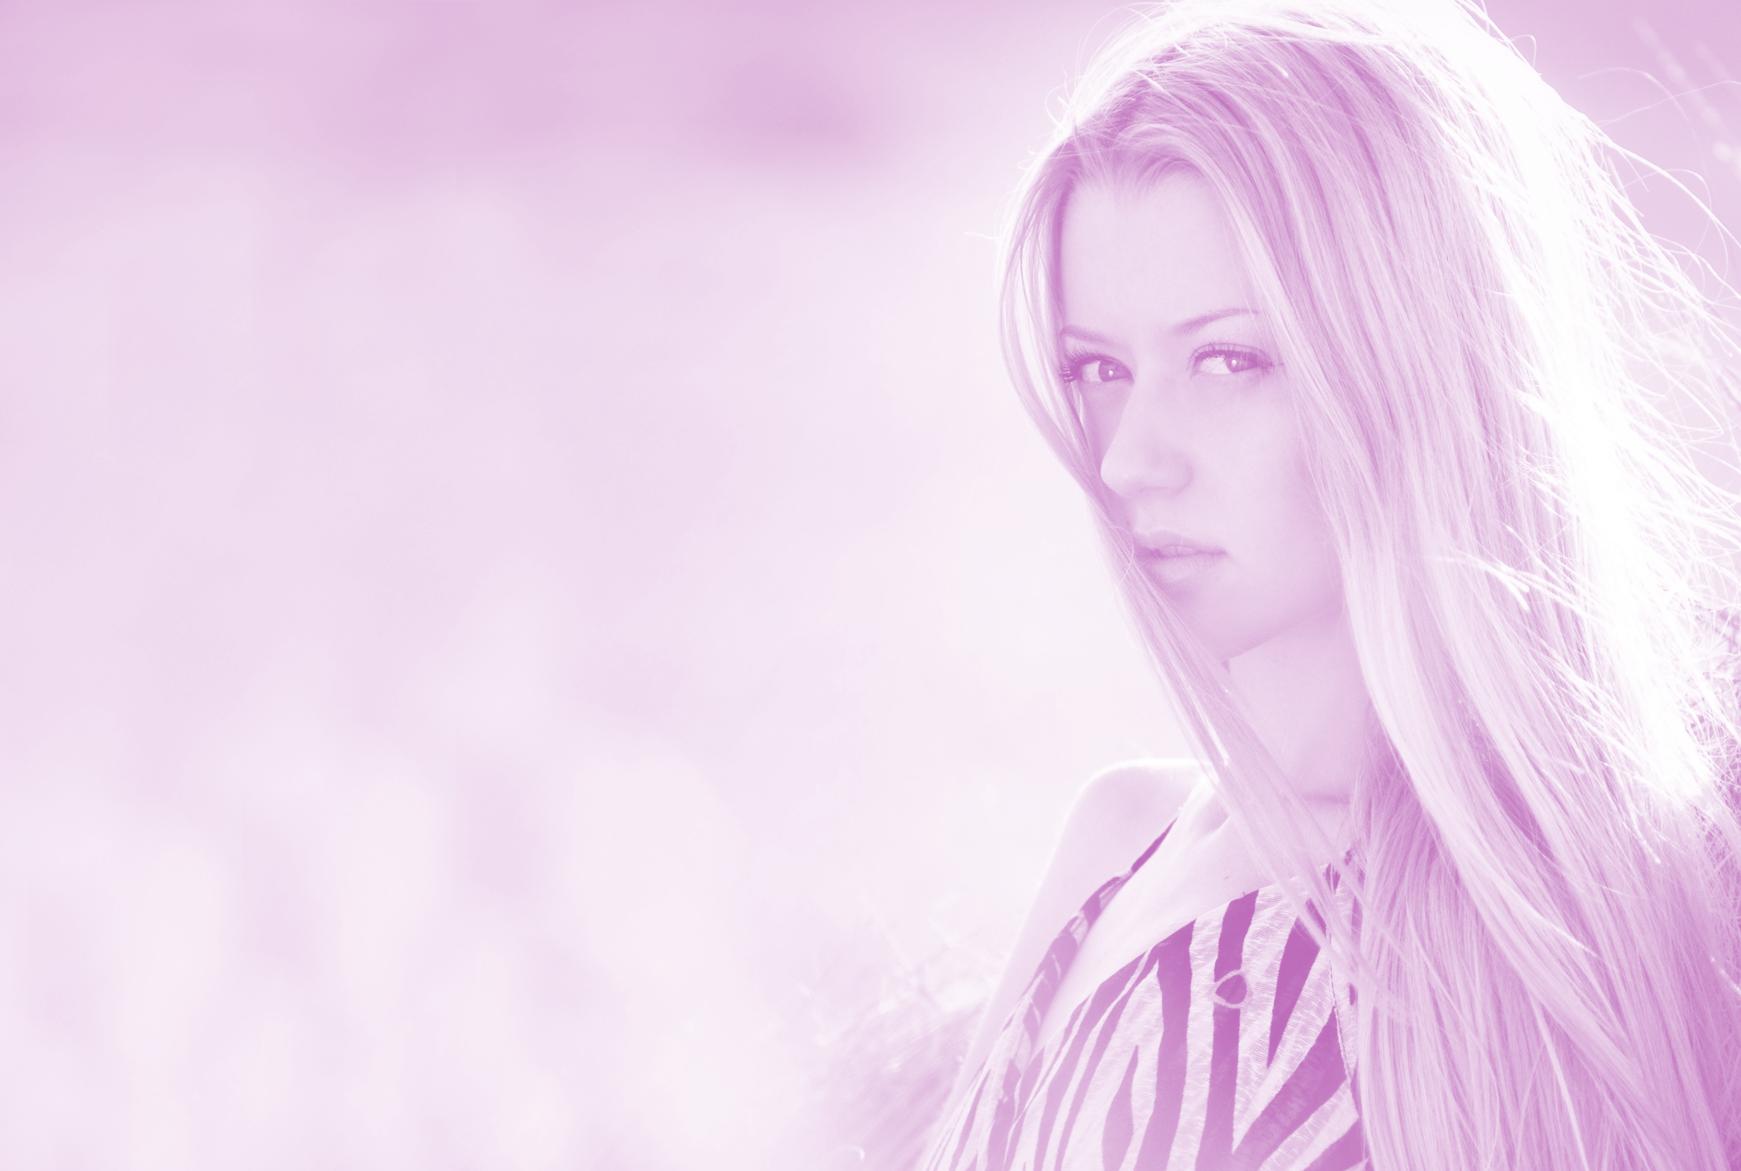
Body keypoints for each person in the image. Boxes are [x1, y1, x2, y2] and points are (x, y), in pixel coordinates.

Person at [918, 0, 1741, 1168]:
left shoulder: (1598, 922)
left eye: (1228, 359)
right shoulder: (1118, 838)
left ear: (1417, 361)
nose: (1128, 458)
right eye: (1097, 367)